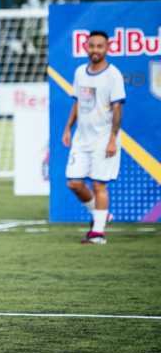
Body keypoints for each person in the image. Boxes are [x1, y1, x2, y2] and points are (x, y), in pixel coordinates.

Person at [63, 31, 124, 244]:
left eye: (100, 46)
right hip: (81, 139)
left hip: (104, 139)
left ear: (107, 48)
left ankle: (98, 233)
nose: (95, 50)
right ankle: (103, 215)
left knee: (99, 185)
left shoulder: (113, 75)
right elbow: (78, 102)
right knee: (74, 183)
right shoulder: (80, 72)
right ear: (86, 48)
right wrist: (68, 129)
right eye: (92, 46)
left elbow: (117, 108)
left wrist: (112, 139)